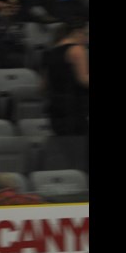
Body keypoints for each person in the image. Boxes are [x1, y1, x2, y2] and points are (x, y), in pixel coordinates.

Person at [42, 18, 89, 172]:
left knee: (70, 154)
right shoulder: (76, 50)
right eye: (86, 35)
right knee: (81, 156)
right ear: (77, 33)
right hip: (74, 109)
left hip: (56, 110)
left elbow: (42, 86)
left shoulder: (49, 52)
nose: (87, 40)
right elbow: (84, 79)